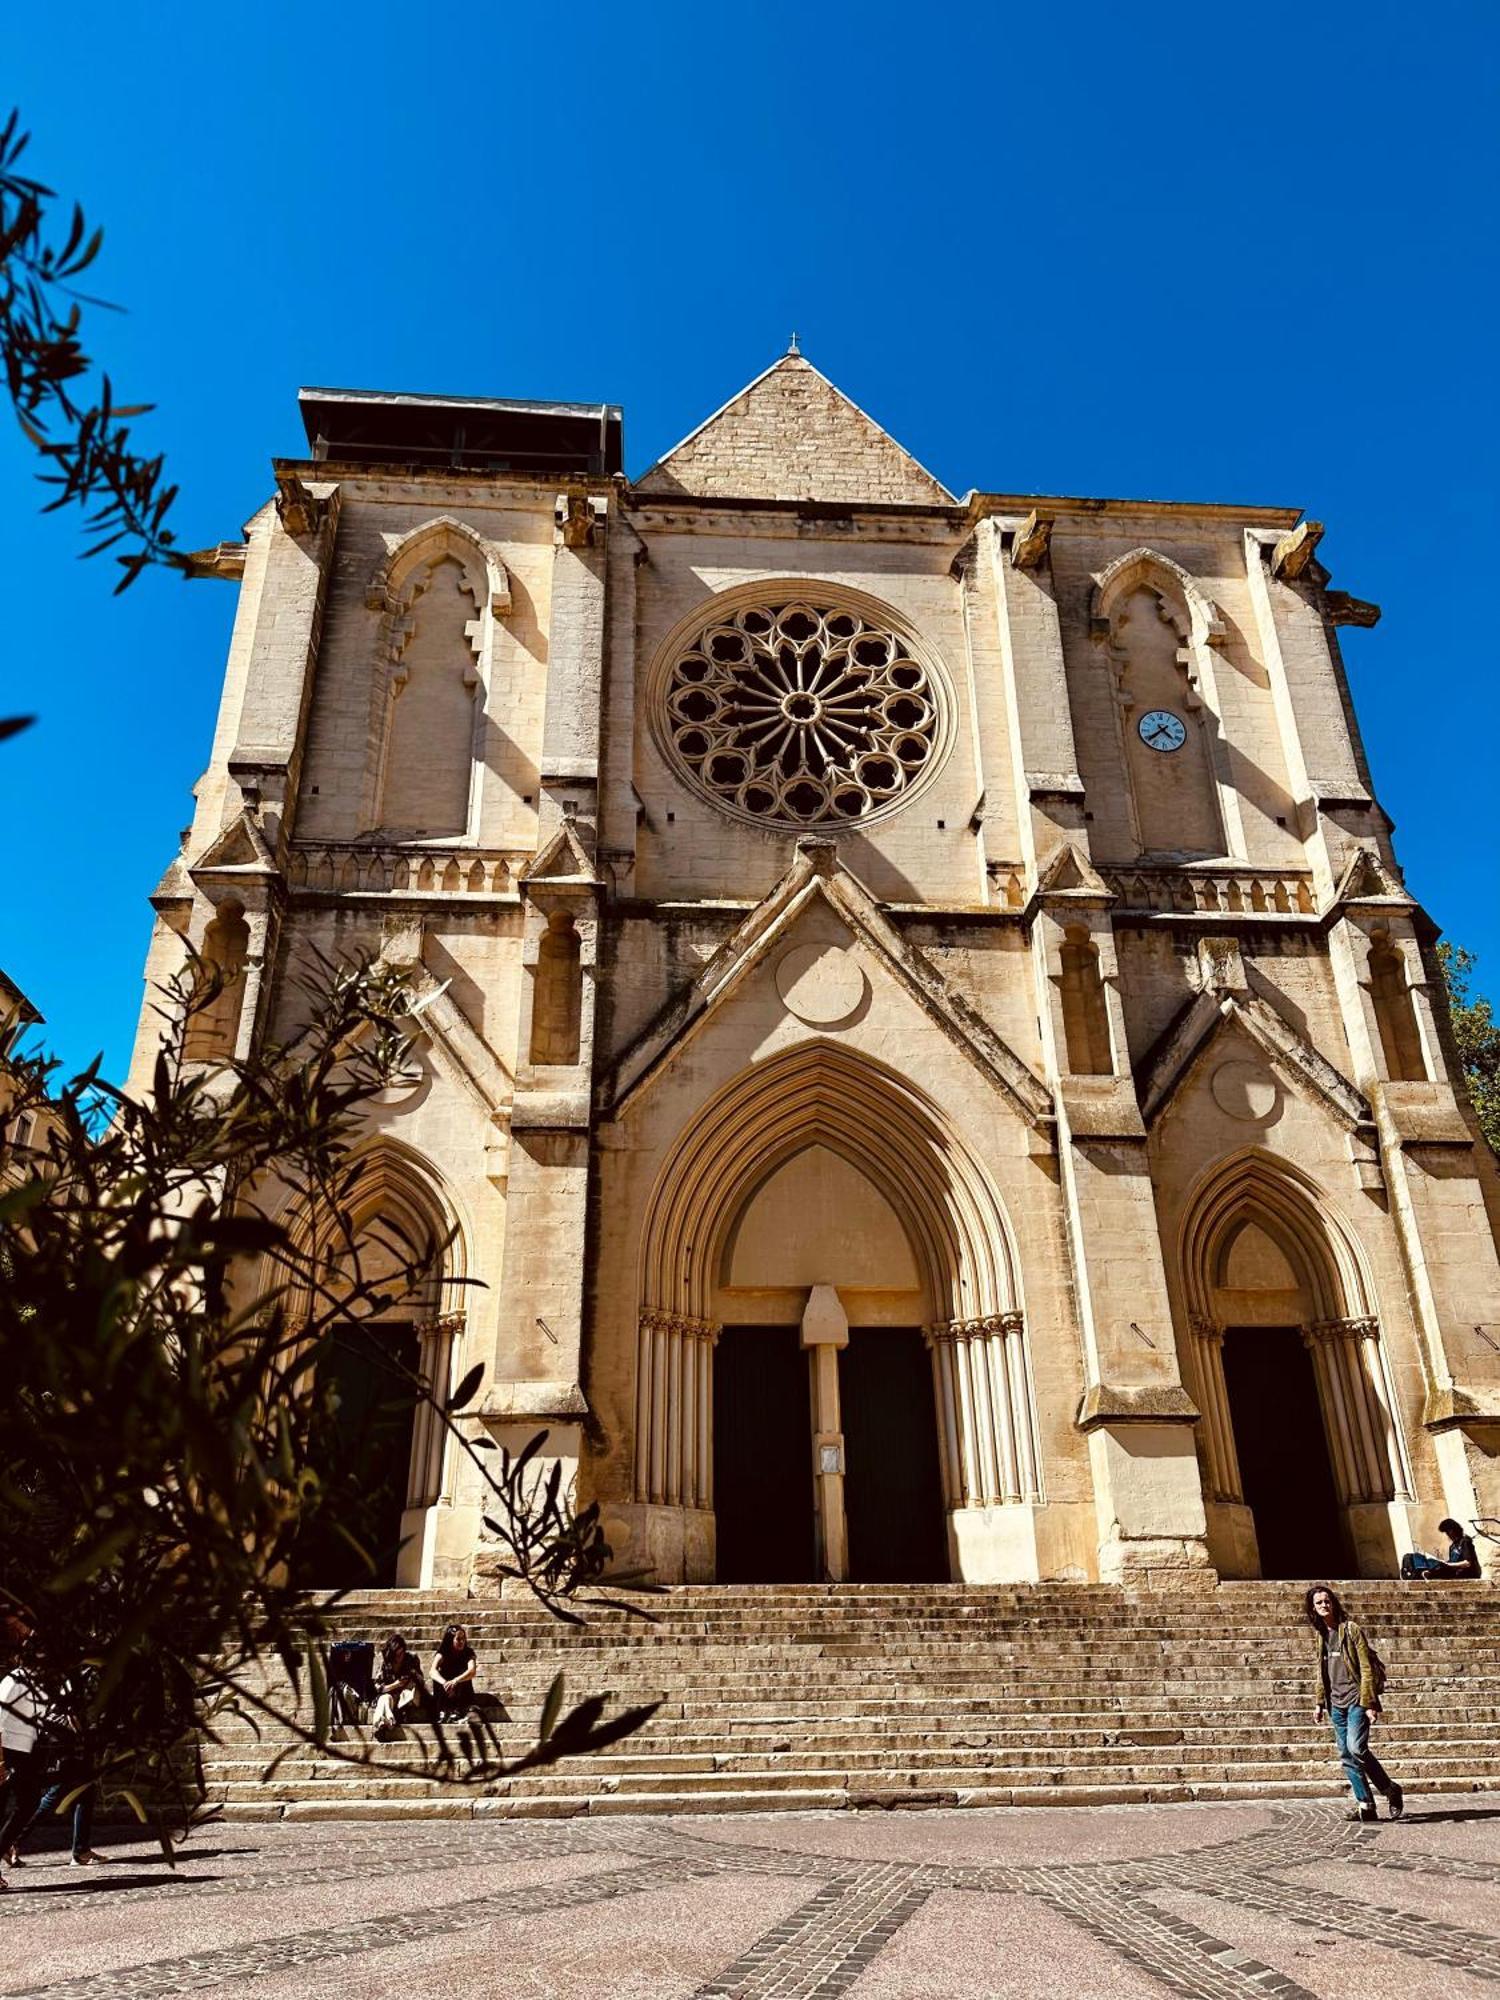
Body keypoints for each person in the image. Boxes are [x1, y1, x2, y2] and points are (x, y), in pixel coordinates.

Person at [1307, 1584, 1404, 1824]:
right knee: (1346, 1755)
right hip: (1335, 1705)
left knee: (1356, 1748)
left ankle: (1390, 1789)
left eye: (1327, 1601)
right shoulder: (1320, 1636)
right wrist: (1320, 1702)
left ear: (1334, 1602)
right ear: (1313, 1608)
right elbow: (1322, 1673)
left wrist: (1370, 1702)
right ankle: (1366, 1805)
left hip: (1356, 1700)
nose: (1324, 1605)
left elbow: (1366, 1668)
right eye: (1319, 1603)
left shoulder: (1350, 1630)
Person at [0, 1647, 45, 1892]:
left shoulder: (38, 1683)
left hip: (25, 1751)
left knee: (29, 1802)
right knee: (27, 1801)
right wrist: (0, 1761)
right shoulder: (13, 1681)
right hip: (6, 1750)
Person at [369, 1633, 424, 1734]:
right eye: (397, 1655)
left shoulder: (411, 1659)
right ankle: (387, 1720)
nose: (400, 1657)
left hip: (407, 1698)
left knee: (410, 1693)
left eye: (402, 1653)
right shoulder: (385, 1663)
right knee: (384, 1699)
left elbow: (421, 1681)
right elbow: (378, 1688)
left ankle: (381, 1722)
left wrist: (413, 1675)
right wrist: (396, 1684)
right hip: (390, 1696)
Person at [1401, 1518, 1481, 1581]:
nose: (1449, 1534)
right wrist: (1445, 1563)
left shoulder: (1465, 1542)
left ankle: (1423, 1572)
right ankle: (1419, 1572)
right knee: (1412, 1556)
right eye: (1447, 1532)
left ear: (1455, 1529)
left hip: (1463, 1572)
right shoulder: (1452, 1546)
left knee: (1437, 1565)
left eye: (1449, 1531)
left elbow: (1467, 1563)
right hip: (1450, 1568)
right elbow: (1451, 1561)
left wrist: (1448, 1565)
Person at [429, 1624, 477, 1720]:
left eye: (463, 1639)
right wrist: (445, 1684)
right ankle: (442, 1711)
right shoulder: (443, 1652)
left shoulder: (468, 1652)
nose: (462, 1642)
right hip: (446, 1690)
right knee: (438, 1676)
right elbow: (432, 1671)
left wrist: (456, 1681)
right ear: (450, 1640)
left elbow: (472, 1671)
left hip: (462, 1690)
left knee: (464, 1673)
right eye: (458, 1639)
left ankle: (459, 1710)